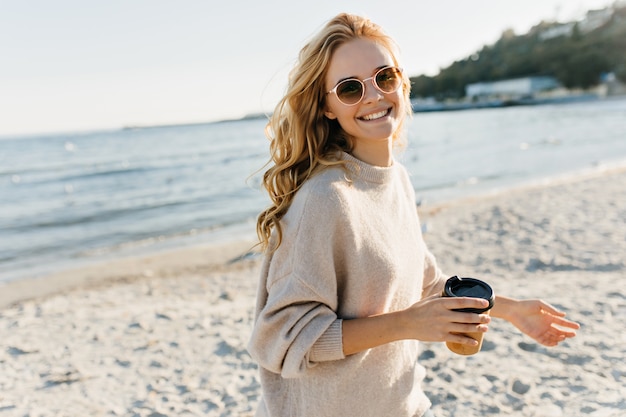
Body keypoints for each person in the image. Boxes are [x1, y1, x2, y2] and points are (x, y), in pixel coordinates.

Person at [247, 12, 580, 417]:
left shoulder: (395, 180)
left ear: (402, 83)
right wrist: (407, 324)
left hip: (403, 406)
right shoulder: (324, 198)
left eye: (383, 77)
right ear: (327, 107)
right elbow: (278, 339)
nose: (373, 96)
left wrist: (510, 309)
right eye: (350, 89)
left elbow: (424, 285)